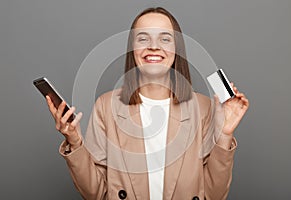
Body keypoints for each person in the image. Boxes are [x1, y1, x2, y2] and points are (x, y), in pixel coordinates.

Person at [46, 7, 249, 200]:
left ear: (177, 49)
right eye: (143, 38)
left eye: (165, 39)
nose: (154, 46)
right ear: (132, 49)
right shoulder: (106, 106)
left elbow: (215, 196)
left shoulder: (203, 108)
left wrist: (224, 134)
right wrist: (74, 141)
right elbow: (95, 194)